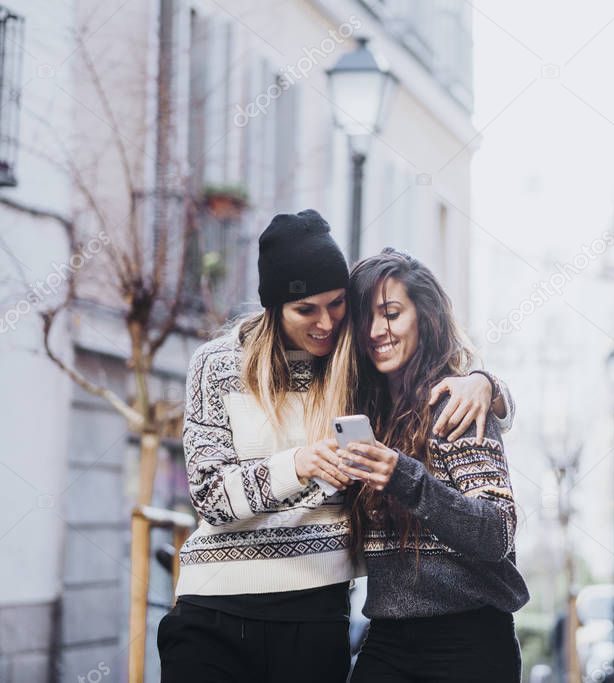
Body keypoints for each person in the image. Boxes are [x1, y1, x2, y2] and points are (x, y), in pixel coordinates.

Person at [157, 212, 511, 683]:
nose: (326, 323)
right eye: (306, 309)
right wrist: (297, 464)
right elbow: (207, 494)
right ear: (275, 307)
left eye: (338, 305)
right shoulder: (218, 363)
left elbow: (421, 374)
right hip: (214, 606)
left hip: (318, 609)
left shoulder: (350, 367)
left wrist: (486, 383)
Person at [324, 248, 530, 681]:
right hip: (388, 637)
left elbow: (497, 530)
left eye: (392, 314)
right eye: (366, 319)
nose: (378, 331)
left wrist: (405, 478)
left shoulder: (454, 406)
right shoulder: (366, 416)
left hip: (467, 642)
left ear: (425, 317)